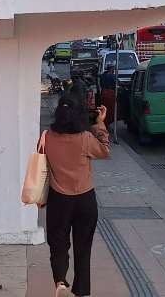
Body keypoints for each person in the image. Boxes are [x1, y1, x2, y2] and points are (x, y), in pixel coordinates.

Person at [44, 96, 110, 297]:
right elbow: (104, 151)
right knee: (83, 248)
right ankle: (81, 291)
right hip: (85, 200)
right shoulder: (85, 138)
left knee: (58, 244)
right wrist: (100, 123)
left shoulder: (47, 137)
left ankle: (60, 282)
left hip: (58, 199)